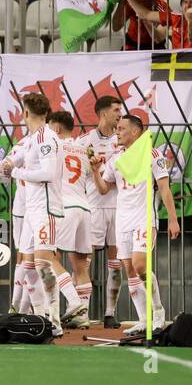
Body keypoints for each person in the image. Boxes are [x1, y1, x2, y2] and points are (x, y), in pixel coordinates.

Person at [0, 92, 66, 333]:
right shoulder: (30, 139)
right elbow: (5, 166)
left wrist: (16, 173)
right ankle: (40, 318)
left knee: (42, 265)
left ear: (26, 112)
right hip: (31, 211)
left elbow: (47, 173)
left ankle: (54, 320)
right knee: (28, 267)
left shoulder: (46, 138)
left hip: (46, 209)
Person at [90, 113, 180, 336]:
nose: (117, 132)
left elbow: (165, 188)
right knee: (129, 270)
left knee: (140, 266)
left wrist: (172, 218)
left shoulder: (152, 154)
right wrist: (94, 170)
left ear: (135, 132)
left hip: (144, 218)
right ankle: (143, 320)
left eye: (121, 129)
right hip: (123, 220)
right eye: (117, 128)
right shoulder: (116, 158)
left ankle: (158, 312)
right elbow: (103, 188)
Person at [79, 95, 125, 328]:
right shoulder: (85, 141)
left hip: (119, 207)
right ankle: (81, 313)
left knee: (115, 262)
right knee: (85, 260)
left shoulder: (123, 139)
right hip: (94, 206)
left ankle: (109, 313)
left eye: (121, 109)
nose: (120, 113)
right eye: (116, 109)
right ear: (103, 113)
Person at [49, 110, 93, 327]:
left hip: (63, 207)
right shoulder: (84, 150)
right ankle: (83, 317)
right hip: (84, 207)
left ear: (56, 128)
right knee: (81, 266)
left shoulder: (53, 146)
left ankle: (74, 302)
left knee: (49, 258)